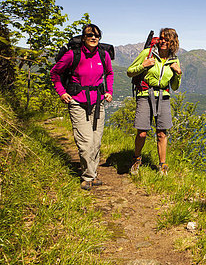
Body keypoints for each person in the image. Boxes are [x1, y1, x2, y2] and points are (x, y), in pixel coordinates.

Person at [50, 24, 114, 190]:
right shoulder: (73, 55)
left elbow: (110, 73)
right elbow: (55, 73)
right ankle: (88, 176)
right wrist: (62, 92)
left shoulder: (103, 55)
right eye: (90, 35)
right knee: (85, 142)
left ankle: (92, 173)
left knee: (96, 142)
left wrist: (109, 91)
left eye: (97, 36)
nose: (93, 38)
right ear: (83, 37)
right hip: (77, 102)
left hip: (98, 102)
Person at [127, 27, 182, 176]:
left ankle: (162, 165)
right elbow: (129, 71)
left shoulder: (174, 59)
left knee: (162, 134)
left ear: (173, 42)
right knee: (142, 132)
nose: (163, 41)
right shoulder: (148, 53)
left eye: (167, 39)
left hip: (163, 97)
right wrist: (143, 65)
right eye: (162, 38)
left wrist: (178, 73)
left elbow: (175, 87)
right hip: (145, 94)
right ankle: (137, 159)